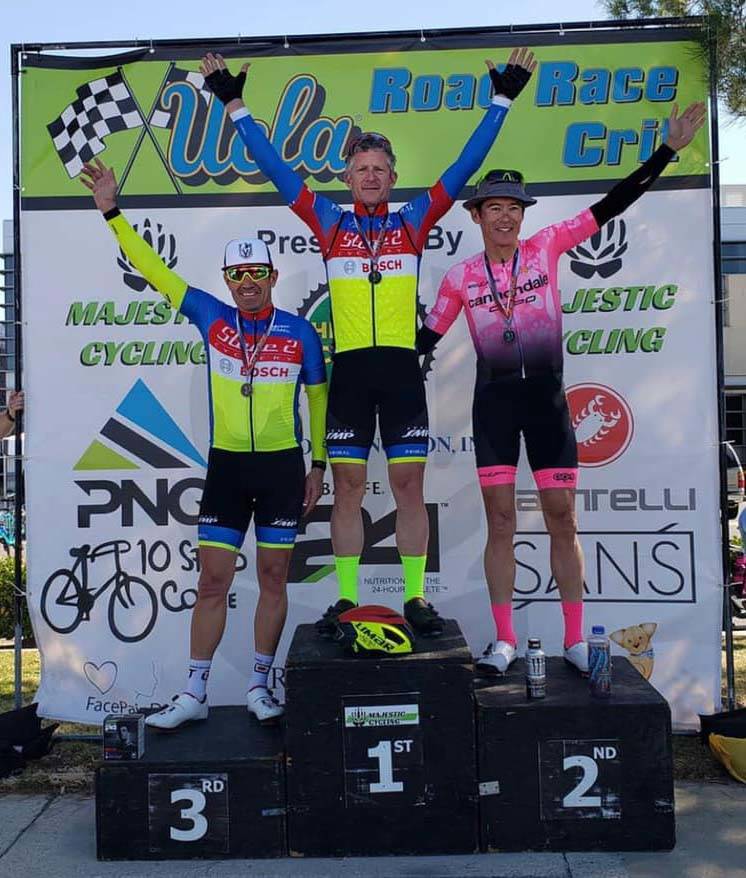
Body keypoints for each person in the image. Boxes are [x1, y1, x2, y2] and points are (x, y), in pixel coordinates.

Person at [200, 49, 536, 638]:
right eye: (362, 170)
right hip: (351, 373)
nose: (372, 176)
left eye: (381, 168)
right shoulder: (329, 223)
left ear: (392, 175)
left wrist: (502, 103)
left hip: (403, 371)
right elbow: (277, 169)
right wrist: (234, 106)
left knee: (410, 486)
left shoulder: (413, 221)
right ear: (348, 178)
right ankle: (349, 598)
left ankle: (412, 598)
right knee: (349, 489)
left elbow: (465, 165)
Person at [417, 102, 706, 674]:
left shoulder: (547, 245)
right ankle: (503, 640)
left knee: (563, 519)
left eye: (513, 209)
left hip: (548, 402)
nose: (504, 218)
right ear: (475, 217)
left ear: (524, 216)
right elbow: (423, 340)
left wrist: (668, 152)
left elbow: (612, 203)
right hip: (494, 404)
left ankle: (574, 638)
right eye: (493, 208)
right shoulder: (460, 277)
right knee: (500, 521)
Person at [80, 159, 328, 728]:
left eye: (255, 274)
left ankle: (261, 686)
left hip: (282, 469)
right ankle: (193, 693)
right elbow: (154, 270)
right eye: (236, 276)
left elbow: (317, 397)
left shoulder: (298, 330)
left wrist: (318, 464)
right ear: (227, 280)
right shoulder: (210, 317)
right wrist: (112, 212)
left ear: (270, 275)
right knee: (212, 580)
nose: (246, 284)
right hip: (227, 469)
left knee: (271, 578)